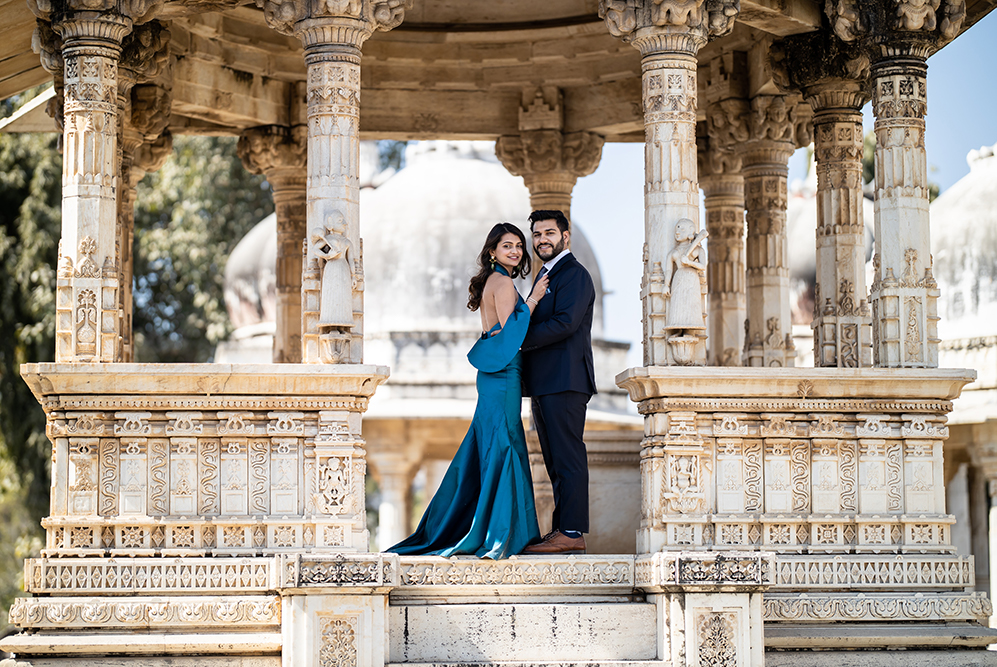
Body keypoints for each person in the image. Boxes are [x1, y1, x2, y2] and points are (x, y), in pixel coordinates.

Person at [387, 223, 550, 559]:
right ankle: (502, 533)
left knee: (492, 446)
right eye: (507, 246)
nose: (516, 251)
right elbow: (511, 332)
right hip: (503, 373)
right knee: (505, 445)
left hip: (494, 375)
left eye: (519, 245)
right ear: (492, 251)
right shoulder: (503, 282)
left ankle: (491, 527)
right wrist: (533, 299)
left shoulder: (493, 280)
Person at [521, 210, 596, 555]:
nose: (541, 240)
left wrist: (520, 336)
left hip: (566, 380)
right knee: (554, 460)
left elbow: (565, 323)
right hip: (546, 382)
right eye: (536, 235)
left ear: (565, 237)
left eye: (549, 233)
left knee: (568, 457)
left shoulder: (574, 276)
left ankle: (572, 531)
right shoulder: (547, 275)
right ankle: (561, 529)